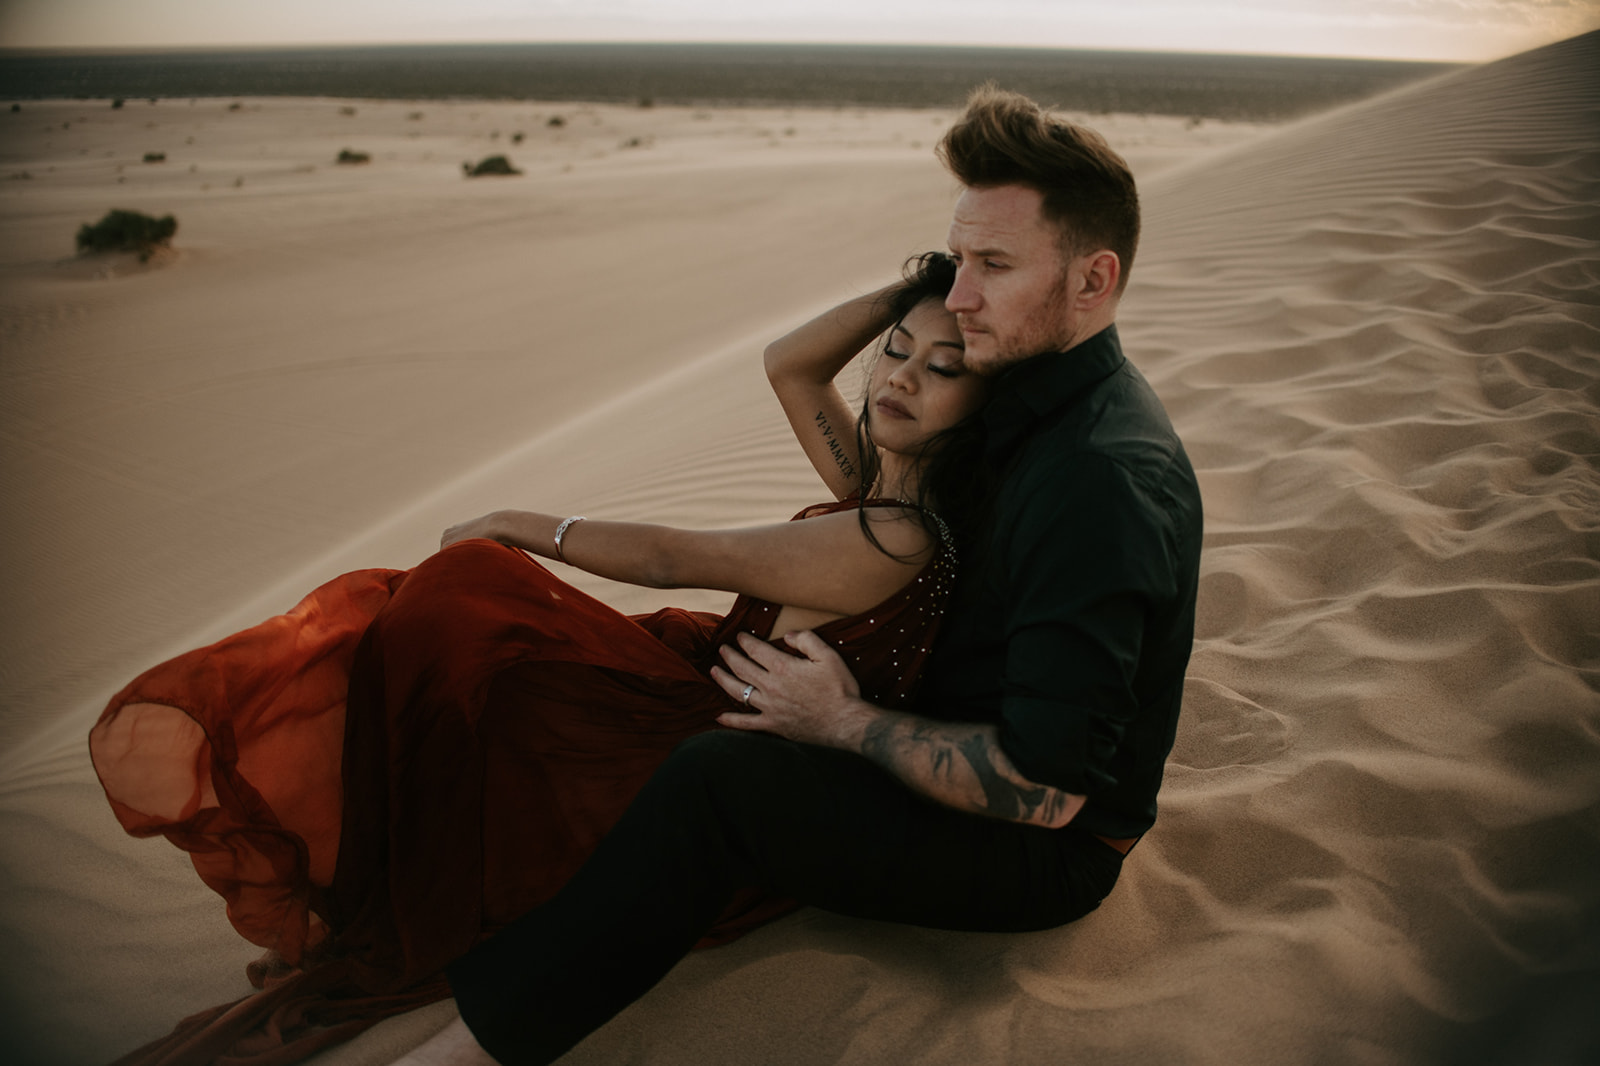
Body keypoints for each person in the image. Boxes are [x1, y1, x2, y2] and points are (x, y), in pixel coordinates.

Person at [411, 85, 1204, 1066]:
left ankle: (466, 1052)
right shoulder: (1015, 404)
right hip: (939, 743)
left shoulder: (1095, 480)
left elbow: (1048, 788)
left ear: (1093, 282)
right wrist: (926, 283)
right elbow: (824, 394)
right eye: (957, 261)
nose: (959, 298)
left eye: (992, 266)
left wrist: (845, 725)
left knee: (719, 781)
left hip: (1040, 854)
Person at [89, 253, 989, 1066]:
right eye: (896, 351)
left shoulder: (894, 534)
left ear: (986, 401)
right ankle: (368, 881)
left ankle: (371, 891)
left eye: (942, 369)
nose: (900, 378)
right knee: (470, 640)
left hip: (696, 757)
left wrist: (527, 525)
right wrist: (934, 283)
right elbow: (788, 364)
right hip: (703, 707)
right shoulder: (869, 487)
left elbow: (675, 555)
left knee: (473, 606)